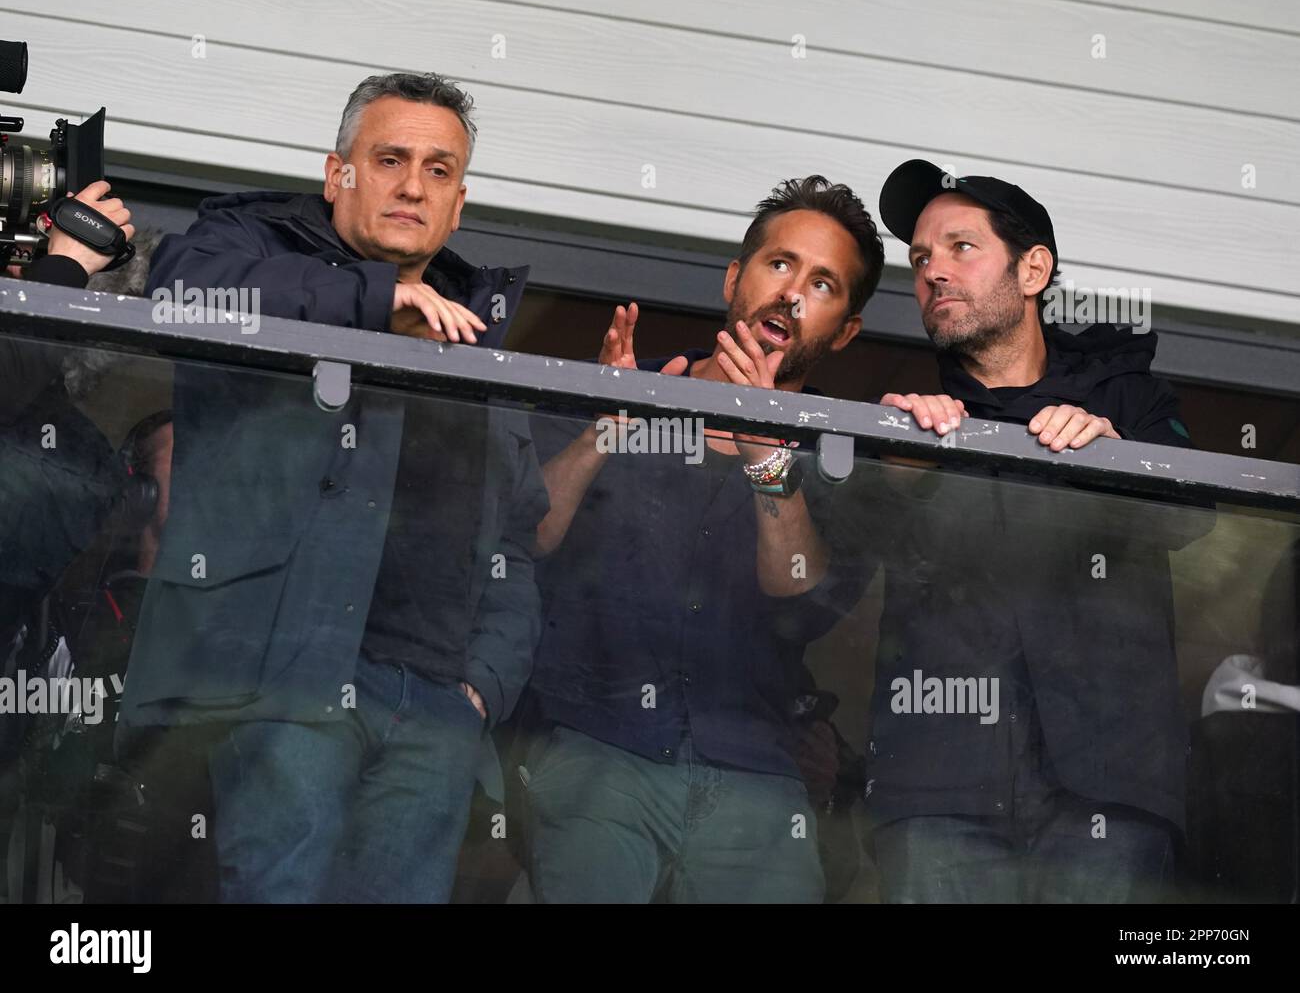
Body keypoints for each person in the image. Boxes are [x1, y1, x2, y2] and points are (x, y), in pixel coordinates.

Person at [119, 72, 548, 904]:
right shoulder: (251, 244)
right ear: (337, 173)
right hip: (290, 674)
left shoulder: (479, 323)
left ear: (460, 202)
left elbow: (516, 538)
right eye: (389, 159)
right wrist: (378, 300)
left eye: (439, 169)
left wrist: (483, 686)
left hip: (435, 703)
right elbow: (180, 293)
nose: (413, 185)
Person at [518, 175, 882, 903]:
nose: (790, 293)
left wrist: (765, 455)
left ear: (844, 330)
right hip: (595, 745)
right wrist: (605, 429)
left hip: (754, 772)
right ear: (733, 278)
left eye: (823, 283)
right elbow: (524, 537)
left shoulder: (841, 462)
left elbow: (803, 603)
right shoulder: (623, 390)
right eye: (779, 264)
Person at [853, 158, 1201, 903]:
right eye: (919, 260)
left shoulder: (1126, 398)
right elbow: (825, 574)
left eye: (959, 248)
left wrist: (1114, 456)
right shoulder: (904, 421)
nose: (933, 272)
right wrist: (893, 469)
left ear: (1033, 268)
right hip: (938, 791)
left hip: (1110, 792)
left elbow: (1193, 517)